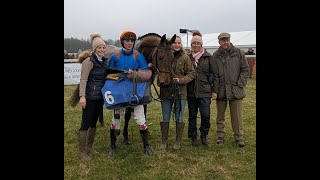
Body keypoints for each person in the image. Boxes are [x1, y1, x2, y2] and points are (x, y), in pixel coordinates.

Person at [107, 29, 153, 156]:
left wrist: (138, 71)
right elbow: (109, 74)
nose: (129, 43)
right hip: (119, 94)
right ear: (122, 42)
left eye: (132, 41)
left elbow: (144, 73)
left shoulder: (138, 55)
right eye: (127, 41)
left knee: (140, 118)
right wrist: (121, 74)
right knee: (116, 119)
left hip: (134, 93)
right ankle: (112, 145)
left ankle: (146, 146)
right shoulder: (115, 56)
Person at [212, 32, 249, 148]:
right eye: (223, 40)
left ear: (229, 40)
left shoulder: (238, 53)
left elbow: (245, 70)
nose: (225, 42)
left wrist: (240, 84)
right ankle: (220, 136)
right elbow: (214, 74)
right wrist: (215, 89)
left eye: (227, 40)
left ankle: (238, 137)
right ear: (219, 42)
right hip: (221, 90)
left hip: (235, 90)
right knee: (220, 115)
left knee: (236, 116)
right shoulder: (215, 55)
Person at [158, 35, 195, 150]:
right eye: (174, 43)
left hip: (180, 92)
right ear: (171, 44)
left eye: (179, 43)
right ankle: (164, 141)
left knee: (179, 116)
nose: (177, 45)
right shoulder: (164, 56)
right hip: (166, 92)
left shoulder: (185, 58)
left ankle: (177, 141)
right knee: (165, 116)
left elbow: (192, 74)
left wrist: (180, 80)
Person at [77, 33, 108, 160]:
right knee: (85, 123)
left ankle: (90, 148)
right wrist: (82, 96)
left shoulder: (104, 62)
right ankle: (82, 151)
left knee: (94, 123)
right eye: (99, 48)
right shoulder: (88, 61)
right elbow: (83, 79)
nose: (102, 50)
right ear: (94, 49)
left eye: (103, 47)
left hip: (99, 98)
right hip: (89, 97)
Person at [187, 31, 215, 146]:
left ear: (201, 44)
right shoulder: (187, 58)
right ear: (191, 45)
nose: (196, 45)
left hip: (205, 91)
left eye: (198, 43)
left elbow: (214, 74)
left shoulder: (208, 57)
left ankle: (204, 135)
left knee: (205, 115)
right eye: (194, 43)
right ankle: (193, 136)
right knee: (192, 115)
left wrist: (214, 90)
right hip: (191, 91)